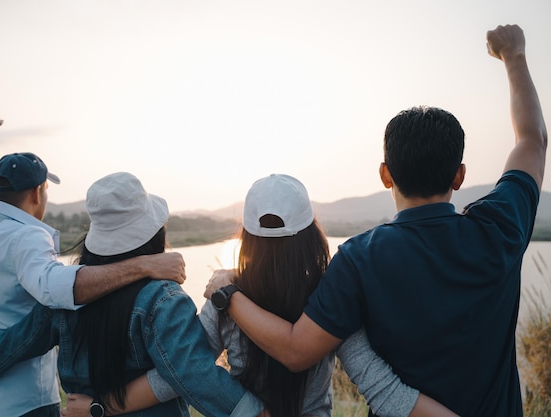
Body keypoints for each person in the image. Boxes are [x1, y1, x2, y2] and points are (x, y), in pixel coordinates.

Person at [204, 24, 547, 416]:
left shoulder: (359, 258)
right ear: (460, 176)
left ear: (385, 175)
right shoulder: (501, 224)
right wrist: (514, 55)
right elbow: (532, 140)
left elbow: (296, 350)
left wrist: (227, 295)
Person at [0, 173, 455, 417]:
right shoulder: (331, 295)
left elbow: (180, 372)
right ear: (312, 233)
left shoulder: (222, 292)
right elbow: (379, 385)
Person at [0, 171, 264, 417]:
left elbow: (19, 341)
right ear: (154, 234)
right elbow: (194, 373)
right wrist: (257, 413)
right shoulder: (163, 299)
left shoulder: (69, 298)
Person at [0, 117, 185, 417]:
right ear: (37, 194)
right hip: (21, 405)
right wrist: (144, 265)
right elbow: (59, 289)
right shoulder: (28, 237)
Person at [199, 173, 457, 417]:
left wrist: (244, 408)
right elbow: (384, 391)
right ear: (311, 236)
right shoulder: (329, 299)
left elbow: (190, 368)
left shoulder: (224, 298)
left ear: (246, 238)